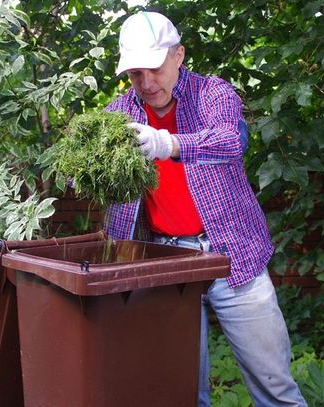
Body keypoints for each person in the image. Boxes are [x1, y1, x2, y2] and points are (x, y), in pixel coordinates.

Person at [104, 11, 308, 407]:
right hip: (166, 263)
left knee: (276, 390)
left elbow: (231, 140)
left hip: (233, 255)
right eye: (134, 75)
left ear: (178, 55)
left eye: (154, 70)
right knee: (182, 393)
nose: (146, 84)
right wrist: (87, 169)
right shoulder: (118, 115)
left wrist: (169, 144)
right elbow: (91, 177)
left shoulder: (213, 94)